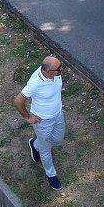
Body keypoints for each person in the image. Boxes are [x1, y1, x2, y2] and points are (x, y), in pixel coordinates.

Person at [15, 55, 65, 190]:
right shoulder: (35, 82)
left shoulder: (55, 73)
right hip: (42, 120)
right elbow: (18, 100)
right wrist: (28, 117)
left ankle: (34, 144)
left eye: (60, 67)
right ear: (47, 71)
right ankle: (51, 174)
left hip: (58, 114)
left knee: (58, 139)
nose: (61, 71)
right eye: (58, 69)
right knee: (45, 149)